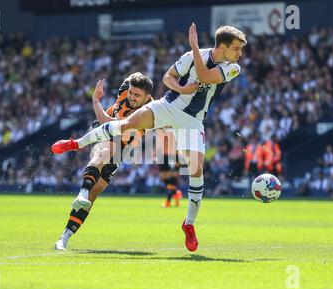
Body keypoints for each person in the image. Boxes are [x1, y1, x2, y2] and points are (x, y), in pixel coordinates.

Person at [52, 23, 246, 252]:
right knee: (126, 124)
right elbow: (168, 77)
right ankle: (76, 143)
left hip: (192, 120)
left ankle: (189, 225)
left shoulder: (233, 68)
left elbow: (204, 75)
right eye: (236, 49)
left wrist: (194, 46)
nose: (240, 54)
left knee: (196, 170)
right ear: (222, 46)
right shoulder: (190, 56)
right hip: (168, 106)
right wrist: (183, 88)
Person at [53, 72, 153, 250]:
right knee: (103, 153)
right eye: (131, 92)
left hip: (119, 139)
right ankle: (82, 191)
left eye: (137, 95)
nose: (131, 97)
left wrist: (96, 101)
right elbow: (134, 76)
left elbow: (108, 122)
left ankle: (65, 236)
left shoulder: (147, 113)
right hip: (102, 132)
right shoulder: (127, 89)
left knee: (95, 192)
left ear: (147, 97)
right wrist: (135, 77)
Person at [156, 127, 182, 208]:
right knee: (163, 178)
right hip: (164, 156)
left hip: (172, 156)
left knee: (172, 179)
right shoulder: (161, 129)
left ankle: (168, 202)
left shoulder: (174, 130)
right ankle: (176, 193)